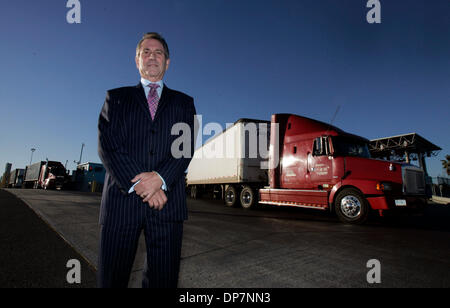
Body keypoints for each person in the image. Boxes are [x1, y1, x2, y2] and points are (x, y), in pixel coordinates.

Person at [97, 32, 196, 288]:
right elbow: (109, 146)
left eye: (158, 52)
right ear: (137, 60)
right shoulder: (116, 98)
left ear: (168, 62)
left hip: (167, 204)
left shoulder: (184, 103)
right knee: (111, 280)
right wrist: (144, 184)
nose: (152, 56)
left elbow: (183, 149)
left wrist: (161, 179)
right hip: (122, 204)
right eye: (146, 52)